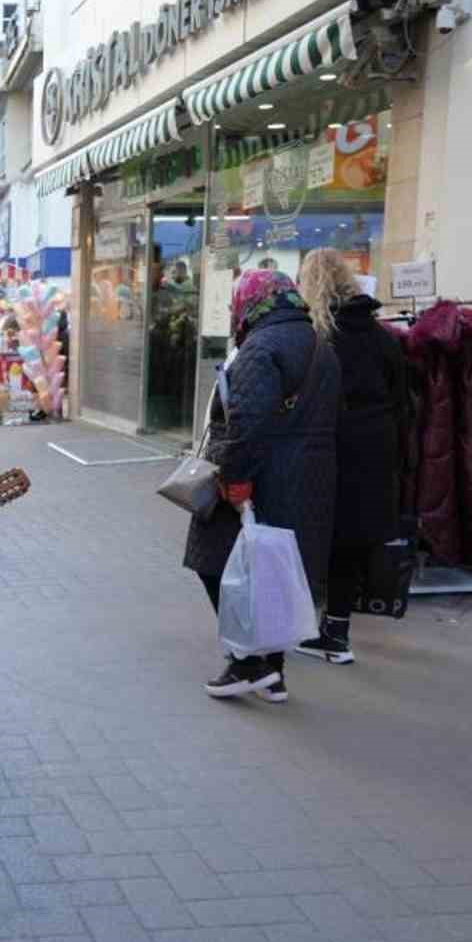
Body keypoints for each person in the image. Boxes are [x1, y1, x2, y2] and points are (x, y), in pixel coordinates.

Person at [183, 269, 340, 703]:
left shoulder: (261, 348)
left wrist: (234, 478)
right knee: (273, 573)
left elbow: (247, 422)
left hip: (260, 478)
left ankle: (246, 662)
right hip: (308, 482)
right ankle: (272, 669)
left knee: (214, 562)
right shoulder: (320, 345)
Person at [295, 249, 406, 665]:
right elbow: (402, 399)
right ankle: (336, 630)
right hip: (376, 450)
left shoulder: (320, 336)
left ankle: (306, 625)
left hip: (332, 448)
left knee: (316, 535)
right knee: (350, 543)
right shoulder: (382, 337)